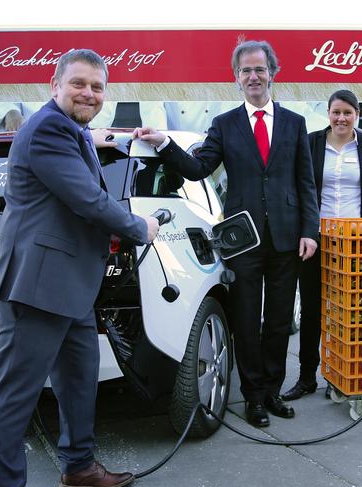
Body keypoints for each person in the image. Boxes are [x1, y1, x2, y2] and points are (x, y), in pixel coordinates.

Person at [0, 49, 159, 487]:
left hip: (72, 288)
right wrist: (138, 227)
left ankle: (77, 466)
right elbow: (86, 198)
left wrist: (99, 138)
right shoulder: (47, 130)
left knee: (79, 381)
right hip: (38, 286)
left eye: (98, 88)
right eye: (78, 84)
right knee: (14, 396)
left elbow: (79, 155)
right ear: (55, 83)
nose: (89, 94)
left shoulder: (68, 130)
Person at [134, 40, 319, 428]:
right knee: (248, 319)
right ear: (236, 79)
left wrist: (310, 230)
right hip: (244, 239)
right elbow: (198, 169)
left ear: (272, 72)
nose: (253, 76)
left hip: (287, 238)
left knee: (281, 319)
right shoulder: (224, 124)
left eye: (260, 69)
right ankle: (252, 396)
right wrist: (164, 144)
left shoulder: (295, 123)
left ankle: (272, 391)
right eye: (246, 71)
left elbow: (306, 183)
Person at [281, 89, 362, 401]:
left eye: (348, 112)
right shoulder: (313, 141)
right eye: (336, 112)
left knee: (352, 312)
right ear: (328, 114)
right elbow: (298, 185)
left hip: (355, 242)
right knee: (314, 310)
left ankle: (345, 376)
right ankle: (306, 377)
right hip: (316, 239)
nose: (341, 118)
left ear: (356, 114)